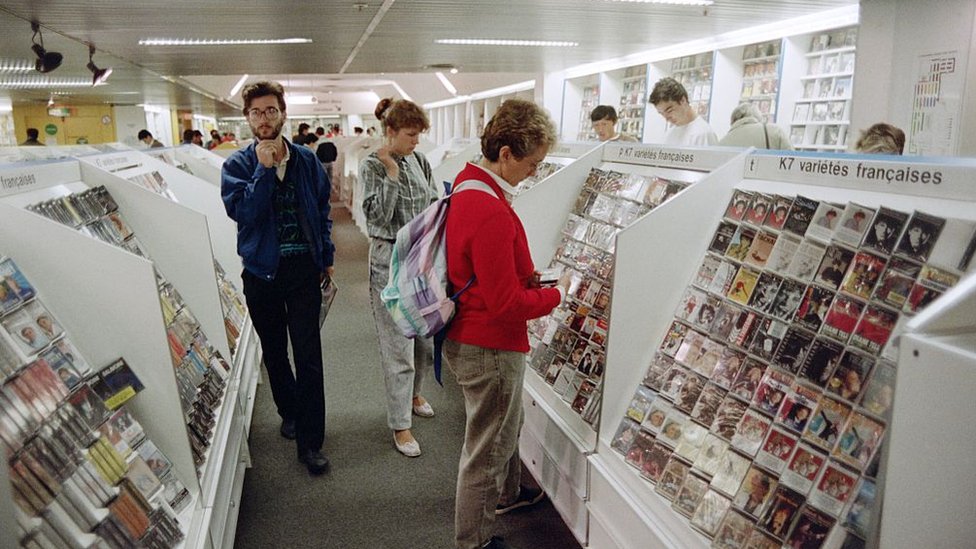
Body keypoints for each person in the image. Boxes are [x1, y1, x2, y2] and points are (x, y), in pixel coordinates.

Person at [443, 99, 570, 549]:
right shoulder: (492, 210)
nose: (534, 172)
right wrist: (555, 295)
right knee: (486, 453)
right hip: (489, 345)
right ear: (505, 154)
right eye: (532, 163)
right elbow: (505, 304)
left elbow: (485, 271)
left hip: (470, 335)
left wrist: (525, 274)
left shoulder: (469, 183)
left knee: (498, 433)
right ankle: (473, 542)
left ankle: (509, 495)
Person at [221, 81, 335, 476]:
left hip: (303, 269)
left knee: (309, 355)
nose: (264, 118)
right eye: (256, 112)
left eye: (271, 110)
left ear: (283, 114)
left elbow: (321, 211)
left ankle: (311, 441)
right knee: (274, 352)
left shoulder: (306, 160)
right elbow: (244, 214)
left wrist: (328, 256)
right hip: (261, 273)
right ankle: (289, 411)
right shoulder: (236, 165)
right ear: (248, 119)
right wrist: (264, 171)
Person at [360, 97, 440, 458]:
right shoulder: (372, 166)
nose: (416, 141)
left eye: (418, 135)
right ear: (390, 132)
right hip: (388, 260)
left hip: (420, 260)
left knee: (424, 339)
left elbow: (433, 200)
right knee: (398, 347)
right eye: (410, 134)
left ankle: (414, 393)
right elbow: (377, 217)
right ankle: (400, 425)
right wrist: (391, 174)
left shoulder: (420, 161)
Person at [649, 77, 717, 146]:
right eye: (662, 114)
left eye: (669, 110)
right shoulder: (669, 134)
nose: (666, 118)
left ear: (682, 100)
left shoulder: (703, 134)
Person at [717, 103, 793, 150]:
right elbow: (792, 159)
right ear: (758, 116)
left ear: (733, 120)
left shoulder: (721, 143)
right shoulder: (774, 131)